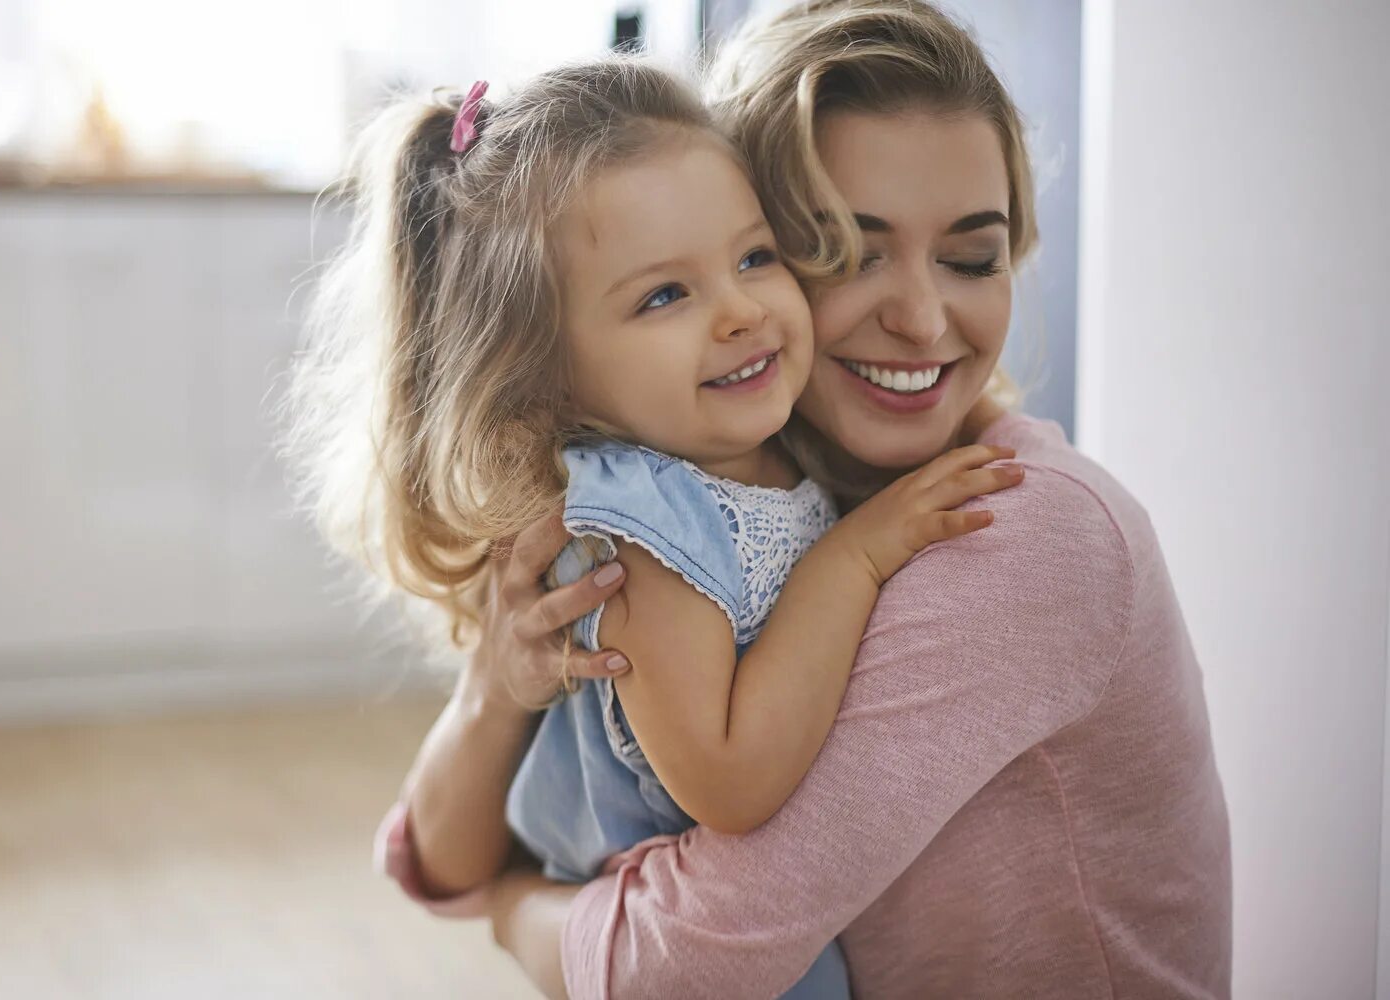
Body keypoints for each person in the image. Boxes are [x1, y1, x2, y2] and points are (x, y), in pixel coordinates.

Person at [380, 2, 1234, 998]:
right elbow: (431, 854)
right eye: (847, 249)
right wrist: (497, 681)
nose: (921, 320)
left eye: (971, 256)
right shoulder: (712, 489)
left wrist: (511, 905)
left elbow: (679, 964)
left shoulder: (1019, 527)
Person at [283, 45, 1022, 1000]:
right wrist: (859, 555)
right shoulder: (639, 533)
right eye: (665, 295)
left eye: (755, 256)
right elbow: (730, 781)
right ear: (545, 377)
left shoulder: (761, 445)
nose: (740, 312)